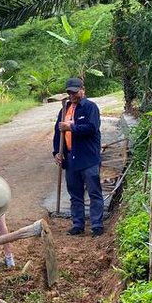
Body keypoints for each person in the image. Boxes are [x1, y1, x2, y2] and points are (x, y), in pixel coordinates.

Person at [53, 77, 104, 236]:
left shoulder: (90, 107)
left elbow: (92, 128)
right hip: (70, 159)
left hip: (88, 158)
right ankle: (78, 224)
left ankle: (96, 225)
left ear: (83, 90)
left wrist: (71, 127)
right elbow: (58, 133)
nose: (72, 95)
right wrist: (57, 152)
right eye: (69, 92)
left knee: (94, 193)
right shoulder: (64, 110)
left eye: (75, 92)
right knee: (75, 194)